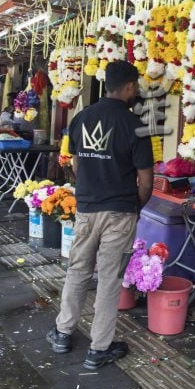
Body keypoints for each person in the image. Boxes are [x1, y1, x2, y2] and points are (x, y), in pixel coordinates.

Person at [47, 60, 153, 370]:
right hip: (120, 213)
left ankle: (63, 332)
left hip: (87, 209)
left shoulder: (81, 118)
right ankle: (99, 349)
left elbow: (76, 165)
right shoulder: (137, 126)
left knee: (78, 271)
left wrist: (89, 191)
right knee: (109, 279)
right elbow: (146, 181)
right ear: (130, 86)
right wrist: (133, 207)